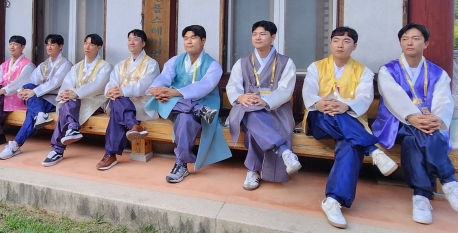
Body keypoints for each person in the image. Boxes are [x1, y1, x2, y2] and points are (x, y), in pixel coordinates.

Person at [373, 23, 458, 225]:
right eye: (405, 39)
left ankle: (421, 195)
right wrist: (412, 117)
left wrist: (437, 118)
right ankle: (449, 180)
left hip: (427, 126)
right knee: (415, 132)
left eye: (416, 38)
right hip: (396, 124)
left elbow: (443, 100)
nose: (410, 42)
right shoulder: (388, 71)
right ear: (401, 43)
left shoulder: (438, 73)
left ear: (425, 43)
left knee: (414, 139)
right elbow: (394, 98)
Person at [303, 26, 397, 229]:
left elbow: (365, 97)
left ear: (354, 46)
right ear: (330, 43)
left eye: (346, 41)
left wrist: (345, 105)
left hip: (350, 122)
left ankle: (333, 201)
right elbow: (308, 91)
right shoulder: (316, 67)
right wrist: (320, 103)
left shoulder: (363, 71)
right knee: (329, 115)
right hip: (320, 120)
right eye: (336, 40)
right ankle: (373, 150)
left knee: (350, 144)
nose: (340, 45)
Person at [145, 25, 231, 183]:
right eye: (186, 38)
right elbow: (162, 79)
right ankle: (198, 110)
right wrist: (154, 90)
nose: (189, 41)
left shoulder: (213, 66)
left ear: (203, 40)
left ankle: (181, 164)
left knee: (186, 119)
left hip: (199, 103)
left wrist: (175, 93)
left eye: (193, 37)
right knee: (159, 99)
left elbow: (202, 88)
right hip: (174, 105)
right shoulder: (175, 61)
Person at [226, 20, 301, 191]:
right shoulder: (243, 62)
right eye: (255, 34)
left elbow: (285, 90)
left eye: (262, 34)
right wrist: (241, 96)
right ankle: (284, 151)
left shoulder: (285, 62)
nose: (257, 37)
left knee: (254, 127)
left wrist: (266, 101)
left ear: (273, 37)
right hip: (245, 105)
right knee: (251, 113)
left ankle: (252, 170)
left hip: (275, 108)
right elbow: (233, 86)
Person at [0, 34, 72, 160]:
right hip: (40, 98)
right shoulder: (44, 64)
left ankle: (16, 144)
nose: (49, 47)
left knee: (31, 112)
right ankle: (40, 115)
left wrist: (33, 92)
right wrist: (23, 90)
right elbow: (33, 79)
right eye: (47, 44)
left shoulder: (65, 64)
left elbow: (54, 82)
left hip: (54, 99)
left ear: (61, 46)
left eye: (52, 44)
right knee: (28, 86)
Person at [42, 34, 112, 167]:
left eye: (91, 44)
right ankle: (72, 128)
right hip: (74, 101)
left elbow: (97, 85)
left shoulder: (105, 66)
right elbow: (68, 82)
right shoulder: (77, 66)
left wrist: (76, 93)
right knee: (67, 103)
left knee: (66, 106)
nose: (87, 47)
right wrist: (67, 93)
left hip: (94, 102)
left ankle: (57, 149)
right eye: (85, 43)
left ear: (98, 47)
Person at [98, 29, 160, 170]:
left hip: (141, 103)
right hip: (122, 102)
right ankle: (133, 125)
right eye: (129, 39)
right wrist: (112, 90)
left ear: (143, 43)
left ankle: (110, 154)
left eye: (136, 39)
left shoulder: (151, 64)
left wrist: (121, 92)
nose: (132, 42)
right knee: (117, 102)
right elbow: (112, 81)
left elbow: (144, 86)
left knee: (116, 108)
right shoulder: (121, 64)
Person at [0, 35, 35, 147]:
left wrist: (2, 91)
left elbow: (19, 83)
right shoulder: (5, 64)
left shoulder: (28, 65)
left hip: (17, 94)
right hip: (3, 94)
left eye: (15, 44)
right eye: (10, 44)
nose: (12, 47)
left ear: (23, 47)